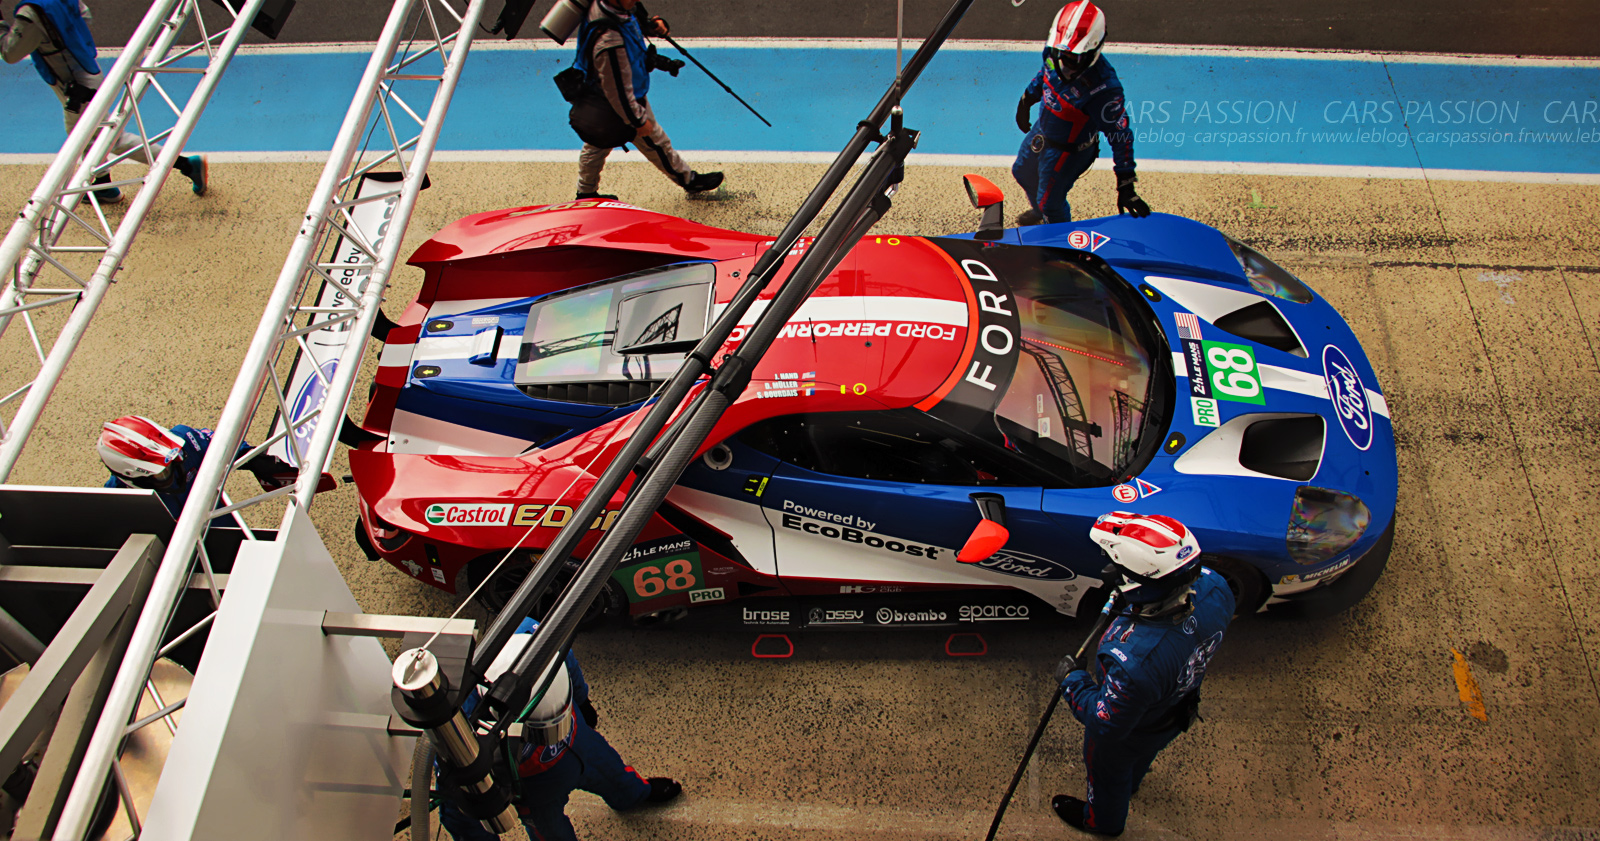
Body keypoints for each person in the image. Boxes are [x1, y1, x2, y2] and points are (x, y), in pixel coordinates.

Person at [1051, 511, 1233, 837]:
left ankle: (1103, 823)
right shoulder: (1217, 587)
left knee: (1109, 775)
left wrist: (1072, 681)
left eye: (1118, 568)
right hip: (1176, 711)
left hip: (1131, 732)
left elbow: (1105, 722)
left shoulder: (1134, 661)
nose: (1111, 571)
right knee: (1141, 757)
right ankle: (1131, 784)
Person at [436, 618, 682, 840]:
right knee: (551, 832)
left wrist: (583, 701)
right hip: (534, 788)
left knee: (613, 772)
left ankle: (633, 795)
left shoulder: (533, 635)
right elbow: (461, 811)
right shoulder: (458, 726)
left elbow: (567, 657)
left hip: (580, 741)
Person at [1, 0, 207, 204]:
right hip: (87, 71)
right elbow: (85, 15)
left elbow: (10, 53)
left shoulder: (29, 13)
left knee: (97, 139)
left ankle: (184, 165)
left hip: (75, 87)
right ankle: (105, 187)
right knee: (96, 137)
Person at [567, 0, 722, 200]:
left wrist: (652, 26)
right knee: (656, 143)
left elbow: (633, 19)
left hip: (602, 99)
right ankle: (689, 181)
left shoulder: (615, 7)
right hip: (621, 103)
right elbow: (618, 92)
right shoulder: (609, 40)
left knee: (596, 146)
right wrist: (638, 121)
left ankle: (585, 192)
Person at [1011, 1, 1148, 226]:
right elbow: (1043, 75)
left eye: (1074, 59)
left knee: (1051, 204)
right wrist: (1026, 100)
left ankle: (1059, 247)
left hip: (1069, 152)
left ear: (1095, 48)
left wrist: (1125, 183)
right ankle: (1041, 214)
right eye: (1062, 54)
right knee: (1021, 172)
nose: (1066, 64)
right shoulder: (1054, 52)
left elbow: (1121, 135)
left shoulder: (1104, 89)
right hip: (1043, 131)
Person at [98, 416, 297, 516]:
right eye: (162, 474)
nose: (173, 472)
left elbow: (223, 444)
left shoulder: (185, 440)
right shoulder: (118, 500)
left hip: (220, 526)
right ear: (132, 478)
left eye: (174, 462)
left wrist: (253, 459)